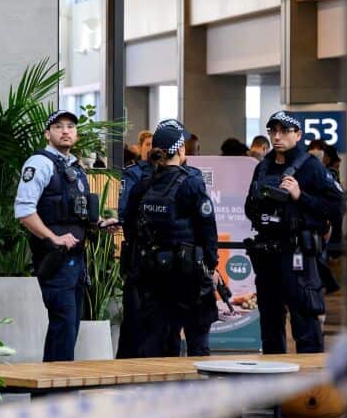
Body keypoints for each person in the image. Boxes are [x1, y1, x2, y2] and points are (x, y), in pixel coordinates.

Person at [244, 111, 345, 354]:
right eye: (273, 131)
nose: (277, 136)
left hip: (297, 254)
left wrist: (302, 196)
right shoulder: (263, 166)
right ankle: (275, 387)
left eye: (283, 131)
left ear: (297, 135)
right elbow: (249, 206)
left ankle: (311, 387)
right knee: (270, 324)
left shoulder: (311, 167)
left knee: (305, 322)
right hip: (267, 254)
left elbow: (337, 206)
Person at [15, 110, 111, 362]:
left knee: (69, 329)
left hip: (76, 262)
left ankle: (56, 393)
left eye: (70, 126)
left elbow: (77, 212)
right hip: (55, 260)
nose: (66, 131)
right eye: (58, 126)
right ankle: (50, 395)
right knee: (63, 326)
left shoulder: (74, 167)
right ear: (48, 134)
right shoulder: (40, 163)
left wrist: (100, 223)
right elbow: (24, 212)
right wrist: (52, 238)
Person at [120, 121, 219, 357]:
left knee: (158, 340)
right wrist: (211, 264)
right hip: (189, 275)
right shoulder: (192, 184)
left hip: (152, 274)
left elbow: (130, 227)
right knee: (197, 341)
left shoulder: (142, 186)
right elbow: (208, 230)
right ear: (181, 150)